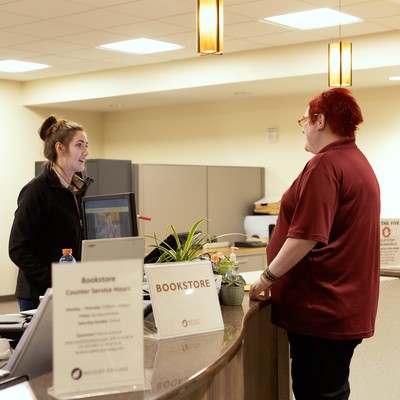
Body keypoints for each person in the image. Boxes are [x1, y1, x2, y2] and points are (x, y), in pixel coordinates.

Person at [250, 87, 380, 400]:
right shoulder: (357, 162)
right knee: (332, 389)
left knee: (318, 392)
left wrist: (267, 277)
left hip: (320, 308)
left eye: (305, 121)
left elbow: (306, 236)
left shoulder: (326, 165)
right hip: (342, 306)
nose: (304, 129)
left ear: (319, 120)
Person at [9, 116, 93, 312]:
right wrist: (54, 279)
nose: (86, 152)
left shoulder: (75, 189)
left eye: (86, 145)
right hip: (39, 295)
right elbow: (18, 249)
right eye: (79, 145)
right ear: (60, 148)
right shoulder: (36, 191)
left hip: (69, 291)